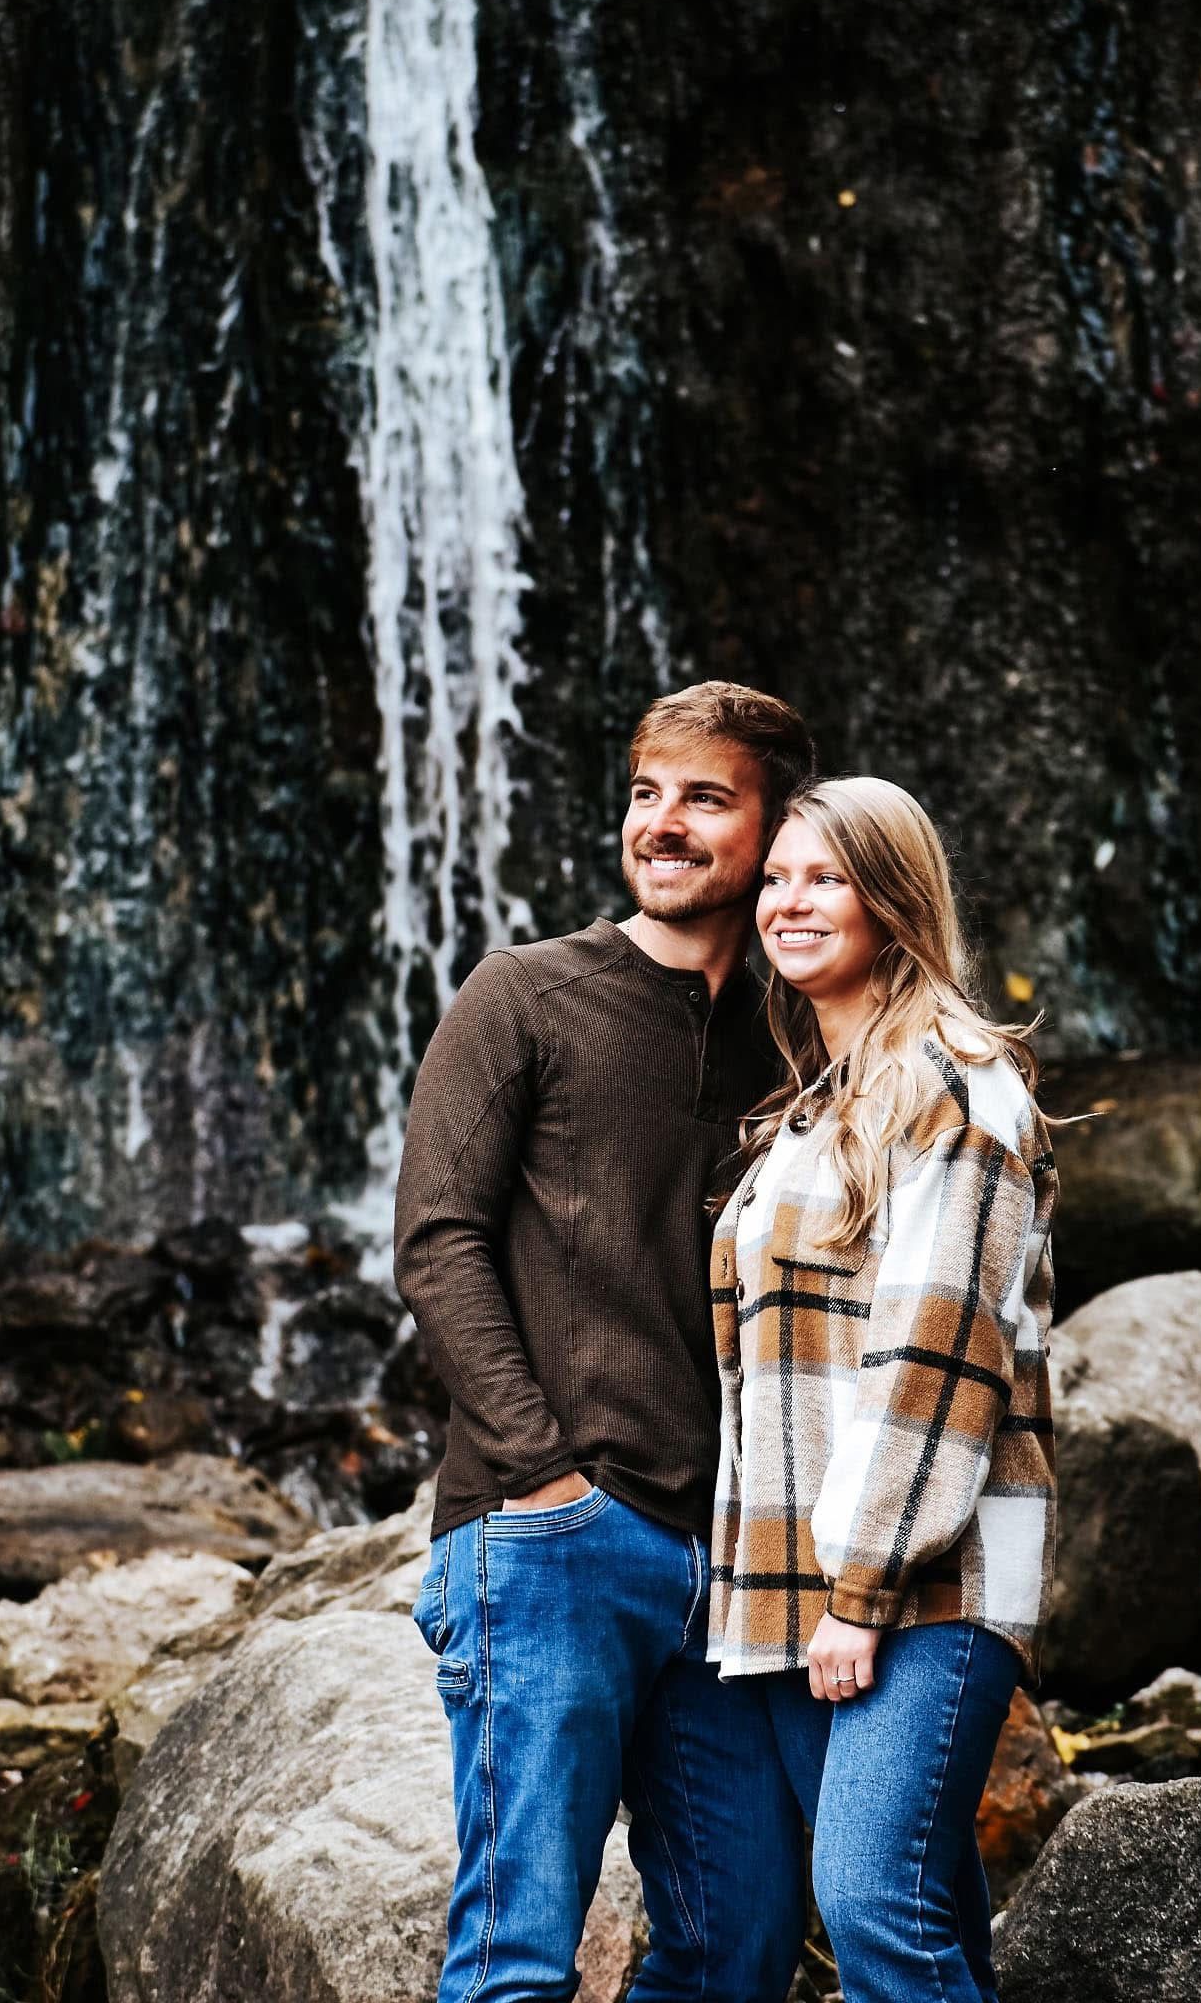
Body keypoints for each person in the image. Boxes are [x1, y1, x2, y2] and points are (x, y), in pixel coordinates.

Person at [395, 681, 817, 2003]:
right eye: (646, 792)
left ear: (777, 828)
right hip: (551, 1540)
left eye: (704, 797)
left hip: (724, 1564)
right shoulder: (523, 993)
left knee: (739, 1946)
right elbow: (436, 1237)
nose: (662, 822)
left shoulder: (791, 1039)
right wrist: (542, 1476)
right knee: (519, 1957)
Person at [708, 775, 1058, 2003]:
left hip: (926, 1576)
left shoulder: (957, 1085)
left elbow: (935, 1351)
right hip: (807, 1577)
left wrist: (860, 1585)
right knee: (923, 1910)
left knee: (870, 1900)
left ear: (893, 898)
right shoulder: (818, 1103)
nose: (789, 902)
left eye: (827, 877)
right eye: (777, 878)